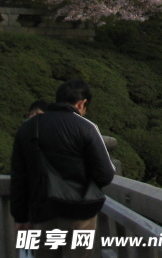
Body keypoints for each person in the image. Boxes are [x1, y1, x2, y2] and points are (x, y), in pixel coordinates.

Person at [10, 79, 116, 257]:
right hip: (80, 214)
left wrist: (20, 217)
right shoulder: (87, 127)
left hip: (42, 213)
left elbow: (19, 177)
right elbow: (105, 174)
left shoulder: (27, 128)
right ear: (82, 103)